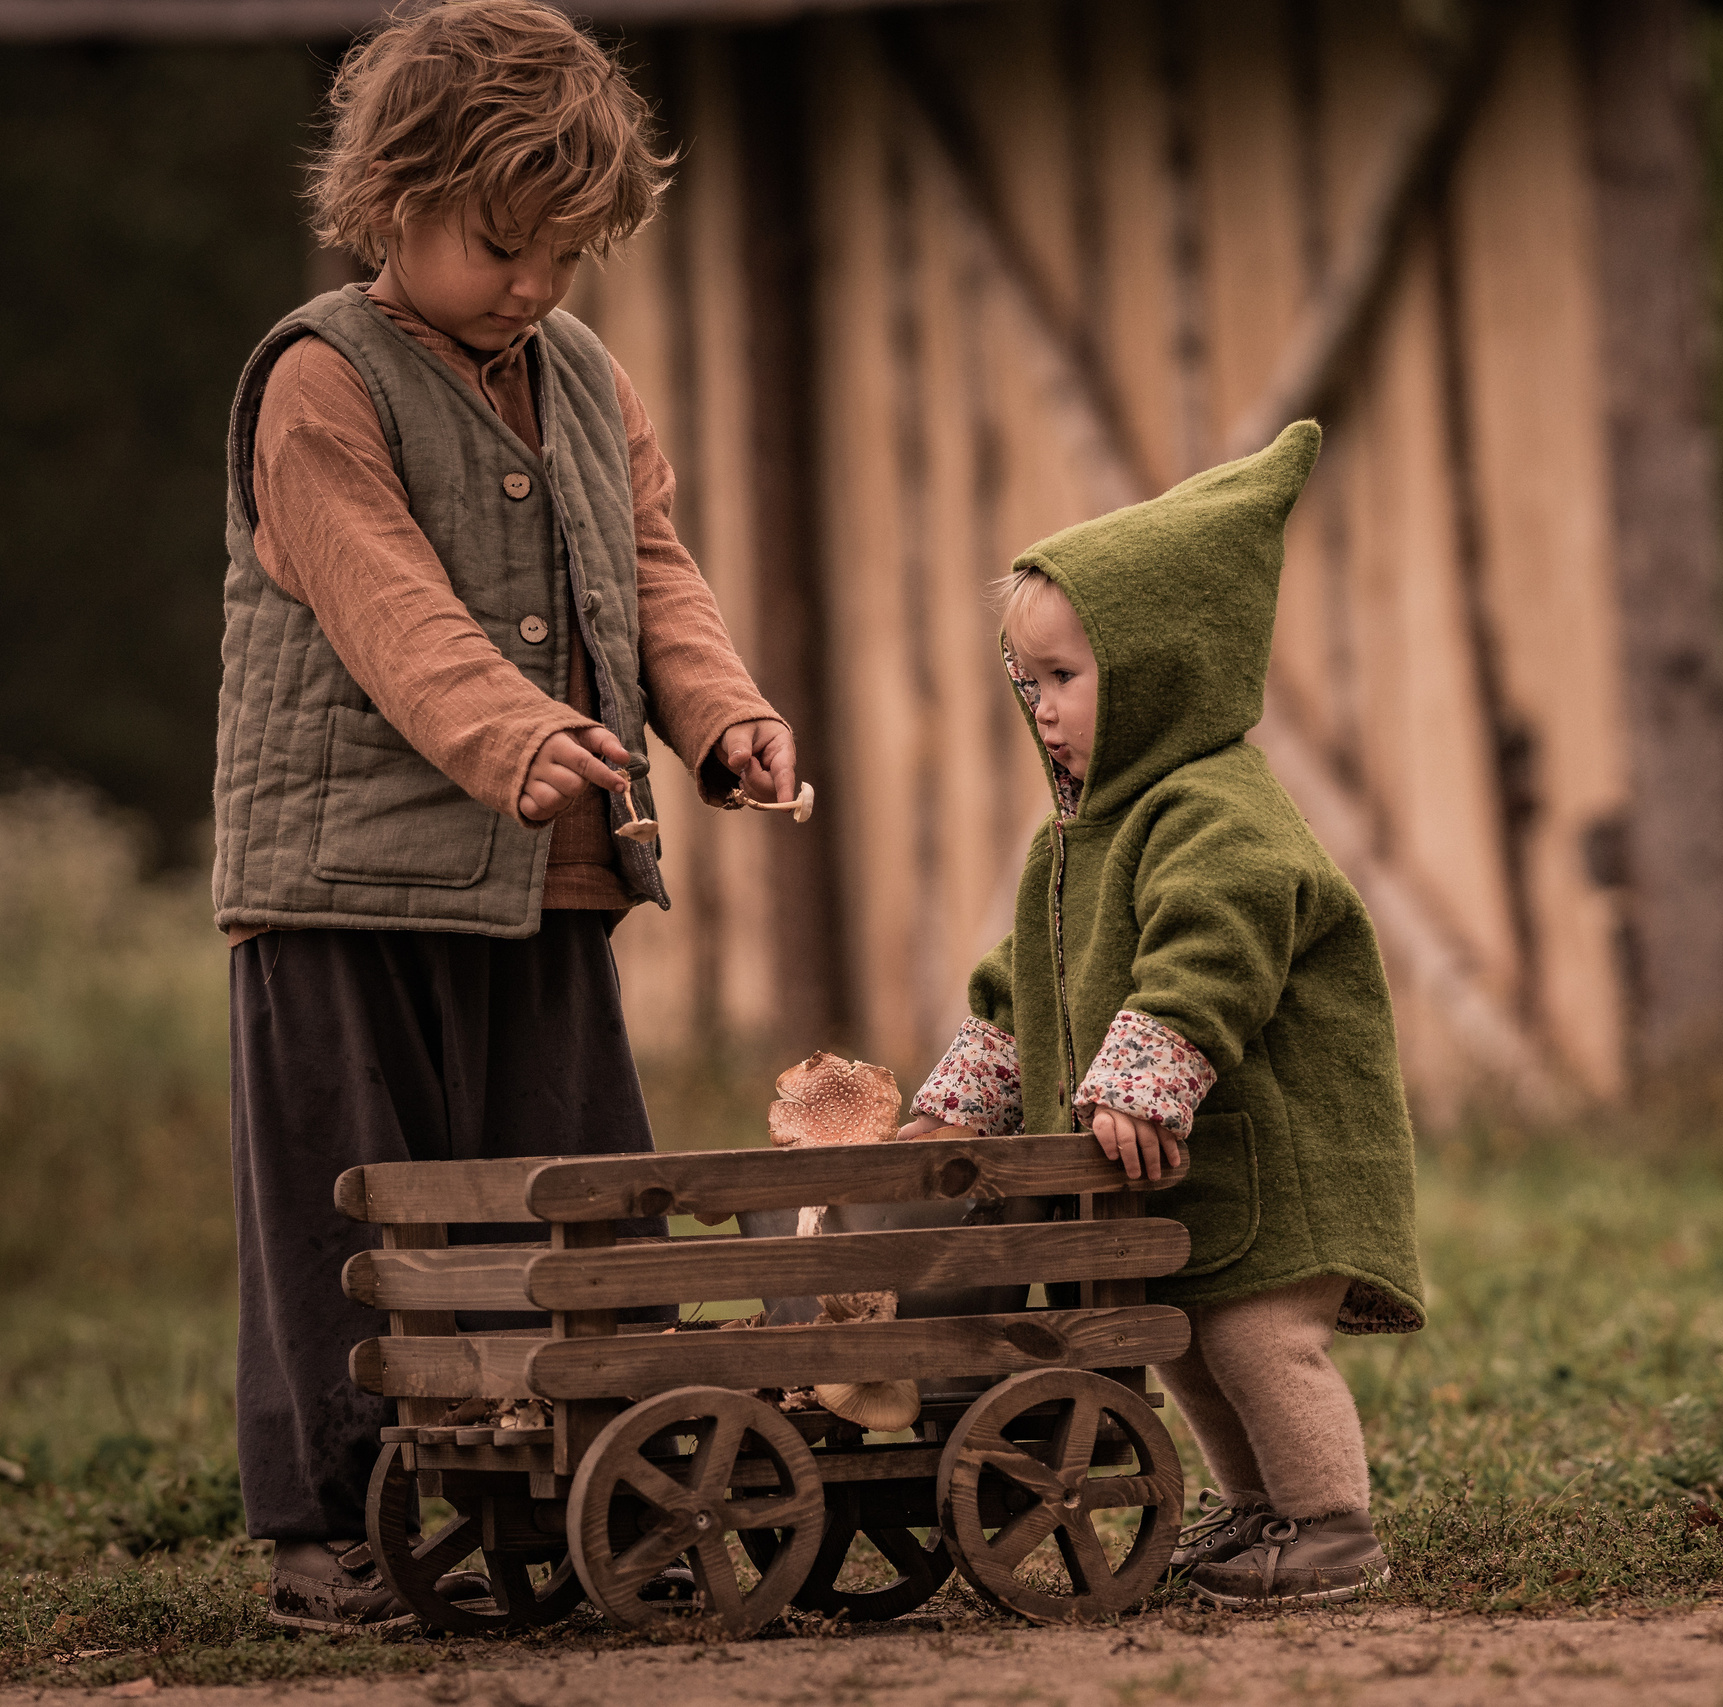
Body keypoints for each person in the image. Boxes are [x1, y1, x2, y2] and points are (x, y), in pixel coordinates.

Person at [216, 0, 794, 1630]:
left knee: (574, 1190)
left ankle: (613, 1480)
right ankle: (336, 1524)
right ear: (392, 197)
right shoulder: (321, 380)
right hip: (344, 886)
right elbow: (380, 595)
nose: (534, 283)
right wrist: (507, 730)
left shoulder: (588, 378)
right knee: (355, 1201)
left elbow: (651, 575)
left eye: (566, 250)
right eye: (499, 243)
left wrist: (723, 717)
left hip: (550, 873)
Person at [901, 421, 1425, 1605]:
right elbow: (1022, 978)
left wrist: (1148, 1067)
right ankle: (1257, 1515)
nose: (1040, 709)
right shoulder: (1073, 841)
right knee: (1185, 1339)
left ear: (1166, 667)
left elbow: (1215, 946)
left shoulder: (1216, 812)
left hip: (1273, 1154)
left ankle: (1331, 1525)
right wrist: (968, 1096)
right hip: (1182, 1173)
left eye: (1067, 680)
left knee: (1256, 1339)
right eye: (1026, 682)